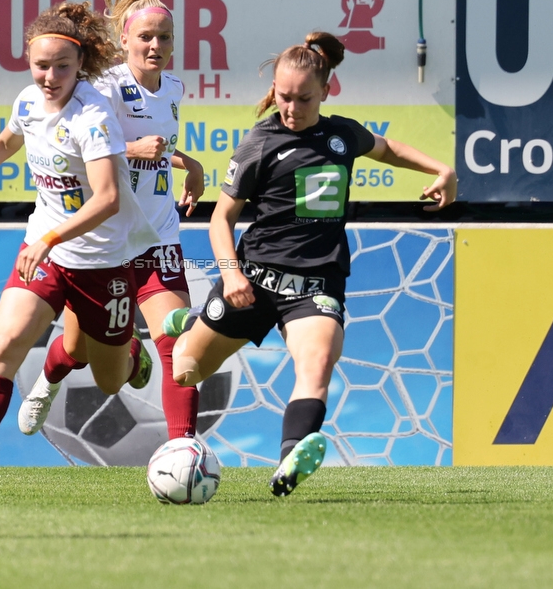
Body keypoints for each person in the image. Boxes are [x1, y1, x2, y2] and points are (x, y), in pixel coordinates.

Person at [166, 32, 457, 496]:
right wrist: (231, 274)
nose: (292, 107)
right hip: (253, 281)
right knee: (184, 368)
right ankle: (194, 321)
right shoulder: (259, 143)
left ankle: (288, 465)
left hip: (315, 285)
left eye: (304, 97)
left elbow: (389, 149)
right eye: (284, 96)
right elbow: (221, 219)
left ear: (325, 91)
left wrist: (441, 169)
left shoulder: (342, 135)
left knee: (317, 362)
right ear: (274, 91)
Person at [0, 1, 159, 504]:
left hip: (101, 260)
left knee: (110, 380)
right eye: (40, 65)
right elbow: (5, 143)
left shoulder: (93, 116)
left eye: (61, 67)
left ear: (80, 65)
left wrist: (52, 239)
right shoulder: (28, 100)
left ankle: (131, 350)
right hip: (45, 248)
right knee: (4, 346)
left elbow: (109, 200)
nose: (49, 77)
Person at [18, 0, 206, 443]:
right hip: (106, 242)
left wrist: (191, 164)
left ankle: (182, 450)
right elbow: (84, 142)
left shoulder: (176, 88)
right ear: (124, 40)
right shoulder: (104, 85)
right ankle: (50, 377)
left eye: (165, 37)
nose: (155, 45)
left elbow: (159, 151)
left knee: (176, 344)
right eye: (146, 37)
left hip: (157, 234)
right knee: (77, 348)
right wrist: (133, 146)